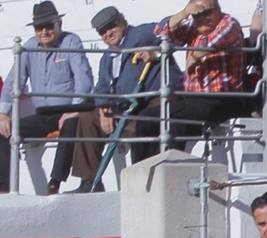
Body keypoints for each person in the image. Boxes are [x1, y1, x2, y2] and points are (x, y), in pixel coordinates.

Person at [70, 7, 181, 189]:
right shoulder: (107, 58)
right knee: (87, 118)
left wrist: (157, 53)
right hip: (123, 109)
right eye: (102, 31)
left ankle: (142, 184)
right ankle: (89, 181)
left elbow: (168, 28)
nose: (107, 33)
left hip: (150, 104)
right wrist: (103, 108)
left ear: (122, 21)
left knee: (143, 124)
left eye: (111, 27)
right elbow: (102, 88)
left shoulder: (140, 35)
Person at [0, 2, 95, 194]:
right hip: (43, 114)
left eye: (49, 26)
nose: (44, 31)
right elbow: (12, 81)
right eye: (38, 27)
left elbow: (83, 80)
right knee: (2, 131)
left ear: (59, 23)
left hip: (71, 110)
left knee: (71, 124)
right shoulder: (28, 47)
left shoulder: (71, 42)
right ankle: (3, 188)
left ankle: (55, 183)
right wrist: (3, 114)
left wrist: (73, 110)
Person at [155, 0, 252, 132]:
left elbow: (215, 42)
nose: (202, 18)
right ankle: (153, 153)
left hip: (224, 98)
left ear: (218, 10)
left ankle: (172, 152)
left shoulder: (229, 23)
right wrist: (184, 13)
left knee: (174, 119)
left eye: (206, 13)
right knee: (147, 119)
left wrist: (193, 57)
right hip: (194, 99)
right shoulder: (194, 27)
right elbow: (161, 34)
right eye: (196, 15)